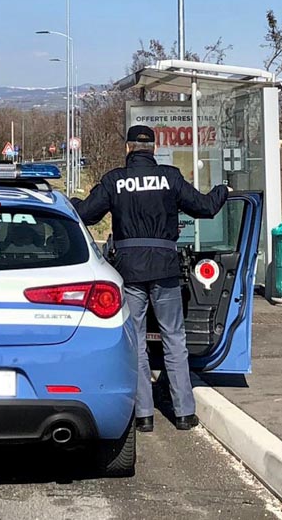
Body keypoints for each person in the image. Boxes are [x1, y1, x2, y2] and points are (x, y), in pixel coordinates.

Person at [72, 124, 229, 432]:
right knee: (174, 339)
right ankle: (184, 413)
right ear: (153, 149)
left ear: (128, 148)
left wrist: (68, 202)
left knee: (137, 342)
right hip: (166, 269)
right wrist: (224, 190)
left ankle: (143, 415)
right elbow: (206, 207)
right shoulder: (170, 177)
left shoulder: (114, 180)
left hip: (129, 271)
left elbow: (87, 214)